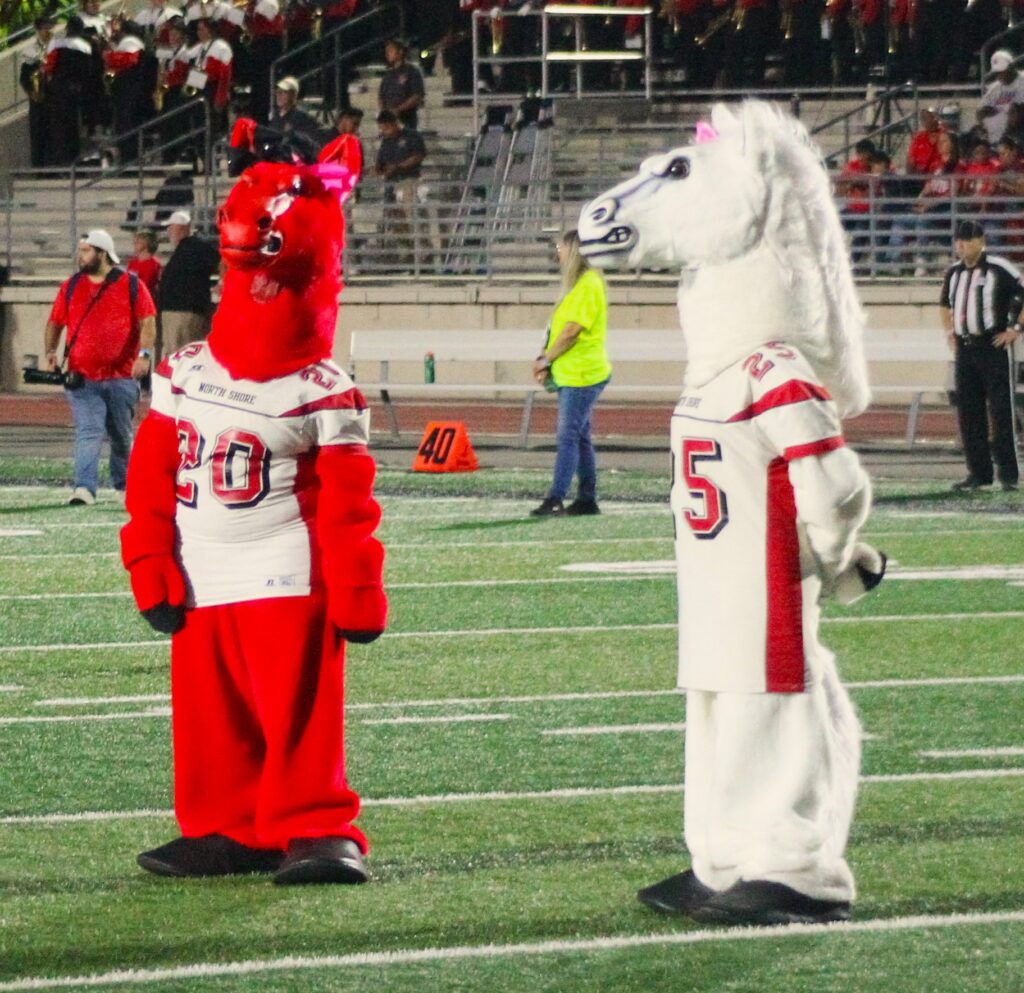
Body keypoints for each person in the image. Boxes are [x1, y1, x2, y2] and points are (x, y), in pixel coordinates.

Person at [42, 230, 157, 506]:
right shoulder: (70, 286)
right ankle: (84, 488)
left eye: (86, 250)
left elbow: (148, 321)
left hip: (122, 376)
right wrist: (50, 351)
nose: (80, 256)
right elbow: (55, 322)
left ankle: (124, 485)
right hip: (82, 377)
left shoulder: (131, 284)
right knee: (89, 430)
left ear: (102, 253)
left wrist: (144, 355)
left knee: (121, 435)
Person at [530, 230, 612, 517]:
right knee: (579, 437)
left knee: (567, 437)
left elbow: (571, 331)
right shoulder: (579, 286)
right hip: (573, 373)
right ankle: (587, 498)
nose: (559, 253)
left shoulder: (588, 284)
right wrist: (545, 360)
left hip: (582, 374)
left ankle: (556, 496)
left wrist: (546, 360)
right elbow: (558, 330)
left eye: (562, 247)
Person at [940, 220, 1022, 492]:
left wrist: (1015, 329)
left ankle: (1008, 474)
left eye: (967, 240)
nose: (961, 245)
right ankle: (978, 473)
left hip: (992, 347)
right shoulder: (954, 273)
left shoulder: (999, 268)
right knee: (969, 412)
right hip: (966, 349)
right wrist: (950, 331)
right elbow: (944, 304)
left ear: (981, 241)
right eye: (958, 240)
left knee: (1001, 411)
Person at [158, 210, 221, 356]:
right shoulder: (185, 248)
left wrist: (223, 283)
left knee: (180, 354)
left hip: (183, 311)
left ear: (181, 228)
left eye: (171, 227)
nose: (168, 231)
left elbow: (221, 263)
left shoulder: (196, 247)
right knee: (175, 353)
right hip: (177, 310)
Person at [375, 109, 427, 268]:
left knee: (412, 217)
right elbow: (381, 162)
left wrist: (398, 166)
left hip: (408, 180)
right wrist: (378, 169)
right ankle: (406, 253)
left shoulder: (411, 135)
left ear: (395, 123)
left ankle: (421, 254)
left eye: (386, 128)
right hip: (391, 183)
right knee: (395, 220)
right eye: (382, 128)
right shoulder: (386, 141)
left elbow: (419, 155)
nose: (384, 131)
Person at [20, 16, 54, 170]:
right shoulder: (30, 51)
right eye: (45, 28)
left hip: (52, 97)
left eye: (49, 28)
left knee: (52, 135)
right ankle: (39, 169)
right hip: (37, 99)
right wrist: (32, 93)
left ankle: (52, 168)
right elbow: (24, 77)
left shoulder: (54, 47)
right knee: (37, 135)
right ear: (38, 30)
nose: (48, 31)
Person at [977, 50, 1024, 146]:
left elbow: (1018, 110)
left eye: (1002, 71)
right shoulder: (995, 87)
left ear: (1011, 67)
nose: (999, 75)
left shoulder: (1022, 80)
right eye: (997, 73)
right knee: (970, 136)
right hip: (998, 126)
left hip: (1018, 127)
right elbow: (981, 110)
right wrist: (983, 125)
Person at [378, 37, 425, 131]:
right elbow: (381, 96)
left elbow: (417, 95)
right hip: (390, 121)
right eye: (386, 51)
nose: (387, 54)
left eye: (390, 50)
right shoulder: (388, 74)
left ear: (400, 52)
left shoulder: (412, 71)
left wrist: (398, 110)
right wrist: (384, 112)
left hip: (407, 119)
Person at [127, 229, 163, 297]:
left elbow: (146, 283)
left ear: (146, 244)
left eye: (138, 242)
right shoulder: (133, 262)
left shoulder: (153, 263)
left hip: (147, 297)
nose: (134, 244)